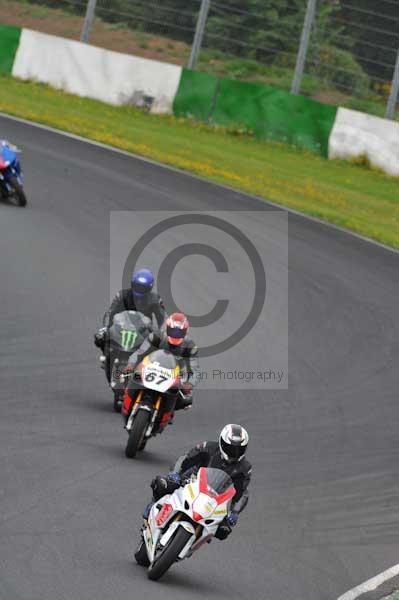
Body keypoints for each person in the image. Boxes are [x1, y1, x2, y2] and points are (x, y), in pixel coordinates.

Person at [145, 424, 251, 541]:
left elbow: (242, 492)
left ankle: (194, 541)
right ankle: (151, 509)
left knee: (223, 531)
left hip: (216, 501)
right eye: (230, 448)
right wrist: (176, 473)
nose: (234, 453)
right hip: (191, 482)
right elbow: (186, 458)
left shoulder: (245, 468)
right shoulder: (208, 447)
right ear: (222, 442)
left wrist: (235, 512)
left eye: (238, 450)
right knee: (162, 484)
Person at [123, 312, 200, 412]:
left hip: (175, 374)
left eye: (179, 332)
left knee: (186, 400)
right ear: (167, 328)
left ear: (185, 331)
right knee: (130, 376)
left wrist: (190, 384)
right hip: (152, 367)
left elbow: (195, 369)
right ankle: (128, 399)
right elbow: (140, 352)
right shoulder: (157, 336)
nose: (175, 334)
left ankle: (168, 411)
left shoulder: (190, 346)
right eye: (173, 330)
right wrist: (131, 364)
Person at [94, 268, 167, 353]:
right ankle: (106, 357)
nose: (139, 289)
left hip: (143, 331)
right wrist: (107, 327)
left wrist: (162, 333)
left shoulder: (155, 299)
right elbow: (110, 312)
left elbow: (162, 318)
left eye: (143, 288)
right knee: (100, 338)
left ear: (149, 288)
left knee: (159, 346)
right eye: (137, 286)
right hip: (121, 328)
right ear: (132, 284)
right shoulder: (122, 295)